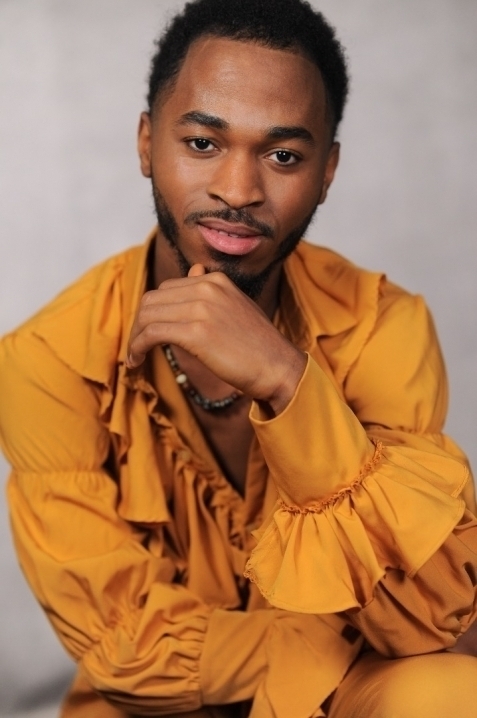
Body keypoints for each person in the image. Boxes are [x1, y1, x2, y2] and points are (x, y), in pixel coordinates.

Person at [1, 0, 477, 715]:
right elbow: (122, 645)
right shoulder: (48, 359)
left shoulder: (381, 326)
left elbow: (431, 616)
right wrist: (316, 650)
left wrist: (287, 384)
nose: (237, 191)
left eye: (283, 156)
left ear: (327, 171)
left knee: (450, 696)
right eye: (202, 143)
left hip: (346, 696)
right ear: (145, 144)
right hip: (162, 707)